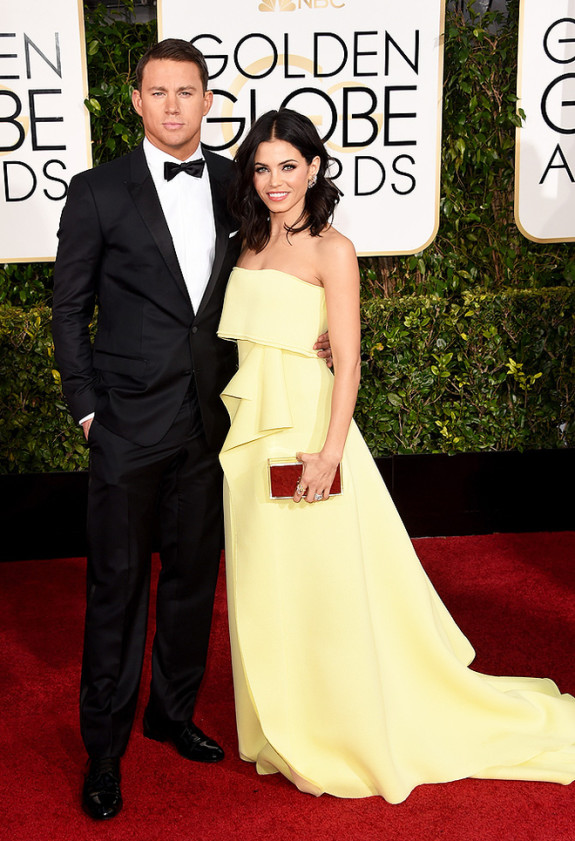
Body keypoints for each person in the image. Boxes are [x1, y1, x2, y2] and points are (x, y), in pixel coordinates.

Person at [217, 108, 575, 803]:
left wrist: (326, 453)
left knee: (328, 588)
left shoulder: (333, 248)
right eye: (261, 167)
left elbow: (347, 362)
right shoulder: (244, 241)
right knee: (270, 587)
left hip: (308, 434)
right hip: (247, 440)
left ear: (314, 168)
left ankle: (345, 723)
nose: (274, 180)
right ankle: (285, 719)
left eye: (288, 165)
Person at [52, 40, 332, 821]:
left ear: (209, 102)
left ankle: (170, 713)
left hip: (215, 421)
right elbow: (68, 308)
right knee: (117, 589)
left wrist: (315, 330)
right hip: (125, 425)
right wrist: (87, 408)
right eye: (158, 92)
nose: (174, 105)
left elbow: (281, 266)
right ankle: (104, 752)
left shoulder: (234, 185)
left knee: (191, 580)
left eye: (188, 91)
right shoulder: (96, 191)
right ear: (136, 102)